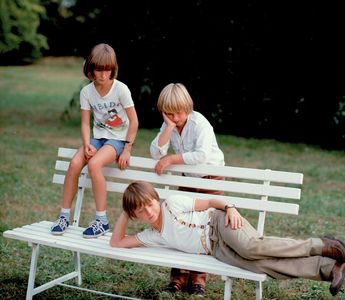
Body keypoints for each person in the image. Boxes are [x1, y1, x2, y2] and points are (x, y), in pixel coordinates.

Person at [110, 180, 345, 297]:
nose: (149, 212)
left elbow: (212, 202)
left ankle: (323, 245)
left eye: (149, 204)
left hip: (219, 224)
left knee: (252, 248)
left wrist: (230, 208)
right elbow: (117, 242)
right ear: (134, 215)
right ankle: (328, 268)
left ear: (156, 199)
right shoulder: (152, 236)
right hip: (215, 250)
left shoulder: (172, 204)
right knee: (261, 265)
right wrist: (125, 210)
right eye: (140, 211)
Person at [51, 43, 139, 238]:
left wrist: (127, 149)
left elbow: (134, 121)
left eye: (107, 69)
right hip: (97, 138)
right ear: (90, 69)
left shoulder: (121, 89)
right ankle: (64, 216)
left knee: (94, 164)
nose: (103, 74)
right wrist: (86, 143)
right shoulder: (87, 92)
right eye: (99, 69)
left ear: (113, 69)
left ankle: (102, 220)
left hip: (117, 139)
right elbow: (84, 123)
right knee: (74, 163)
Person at [150, 83, 225, 296]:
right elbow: (156, 152)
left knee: (204, 225)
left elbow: (201, 155)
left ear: (188, 108)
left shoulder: (200, 123)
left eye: (179, 113)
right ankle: (178, 277)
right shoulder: (170, 126)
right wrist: (168, 129)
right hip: (189, 178)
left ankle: (198, 278)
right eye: (169, 114)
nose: (175, 118)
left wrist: (172, 158)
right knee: (179, 223)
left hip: (210, 178)